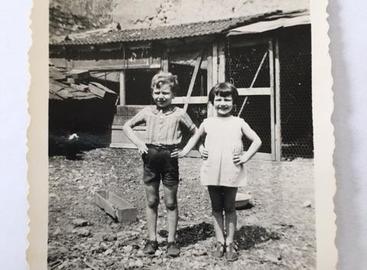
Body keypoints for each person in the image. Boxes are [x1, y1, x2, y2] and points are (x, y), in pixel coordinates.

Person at [179, 82, 262, 261]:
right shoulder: (207, 122)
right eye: (218, 99)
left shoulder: (239, 122)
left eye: (227, 99)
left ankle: (230, 243)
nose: (222, 103)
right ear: (212, 102)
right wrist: (195, 150)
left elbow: (257, 140)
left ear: (234, 103)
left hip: (231, 171)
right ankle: (220, 242)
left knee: (230, 207)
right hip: (212, 171)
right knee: (216, 207)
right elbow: (195, 137)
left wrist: (246, 157)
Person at [123, 71, 196, 257]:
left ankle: (172, 241)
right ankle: (152, 239)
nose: (161, 97)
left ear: (174, 94)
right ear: (152, 93)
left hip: (170, 160)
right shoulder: (147, 112)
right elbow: (126, 126)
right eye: (157, 93)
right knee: (151, 200)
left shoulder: (180, 114)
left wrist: (186, 150)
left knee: (170, 202)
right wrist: (139, 143)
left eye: (165, 93)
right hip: (150, 159)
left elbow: (196, 131)